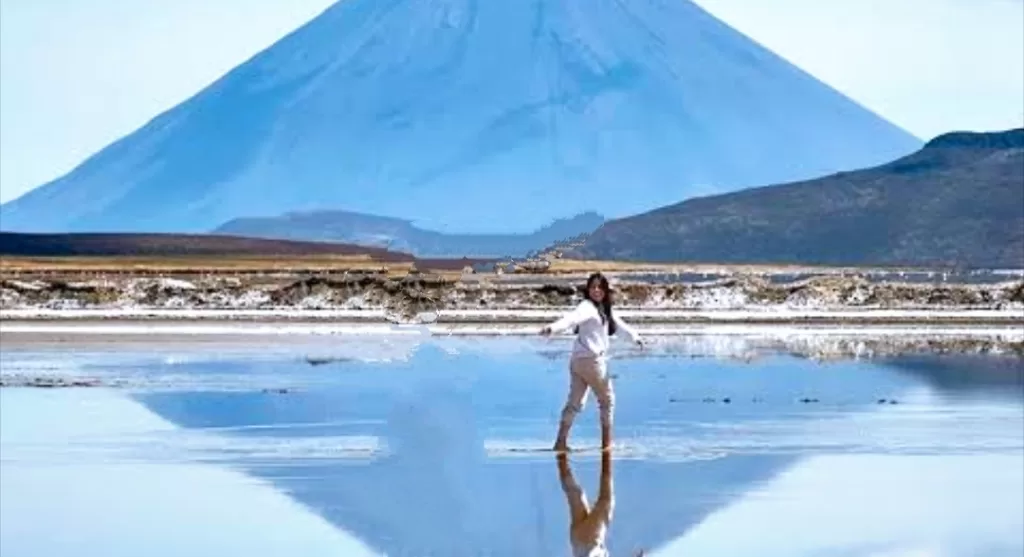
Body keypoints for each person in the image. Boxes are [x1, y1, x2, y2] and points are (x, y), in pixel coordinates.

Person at [541, 272, 643, 452]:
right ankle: (607, 444)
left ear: (605, 290)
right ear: (588, 290)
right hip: (592, 361)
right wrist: (553, 328)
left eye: (599, 287)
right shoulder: (587, 307)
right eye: (593, 287)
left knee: (575, 403)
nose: (596, 290)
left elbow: (620, 327)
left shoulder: (603, 310)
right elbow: (571, 319)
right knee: (607, 401)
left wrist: (635, 338)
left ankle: (560, 442)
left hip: (577, 361)